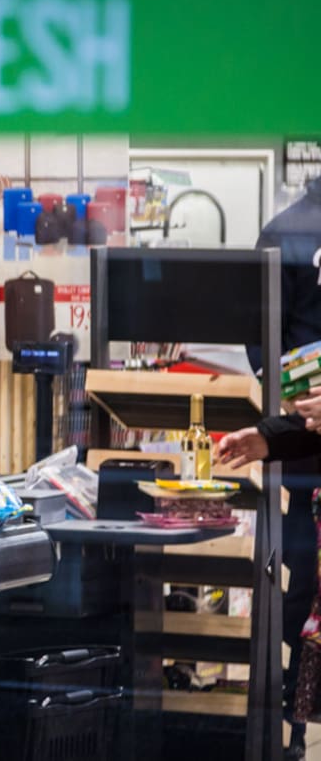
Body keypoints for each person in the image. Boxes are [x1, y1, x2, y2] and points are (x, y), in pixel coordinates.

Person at [232, 176, 321, 759]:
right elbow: (263, 339)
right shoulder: (289, 231)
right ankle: (297, 712)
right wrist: (276, 429)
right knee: (304, 585)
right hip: (308, 455)